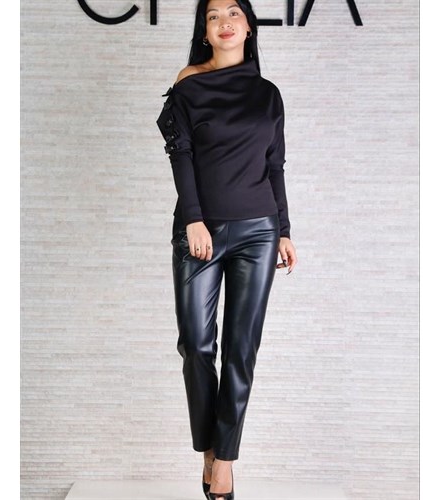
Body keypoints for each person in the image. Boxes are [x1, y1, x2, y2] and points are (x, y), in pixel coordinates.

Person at [156, 1, 297, 499]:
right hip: (200, 230)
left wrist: (284, 229)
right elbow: (180, 154)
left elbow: (274, 164)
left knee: (241, 348)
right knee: (196, 345)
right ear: (205, 31)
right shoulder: (188, 86)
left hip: (259, 231)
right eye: (214, 16)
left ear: (249, 27)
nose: (225, 22)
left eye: (234, 13)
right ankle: (209, 449)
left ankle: (225, 462)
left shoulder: (267, 94)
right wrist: (194, 218)